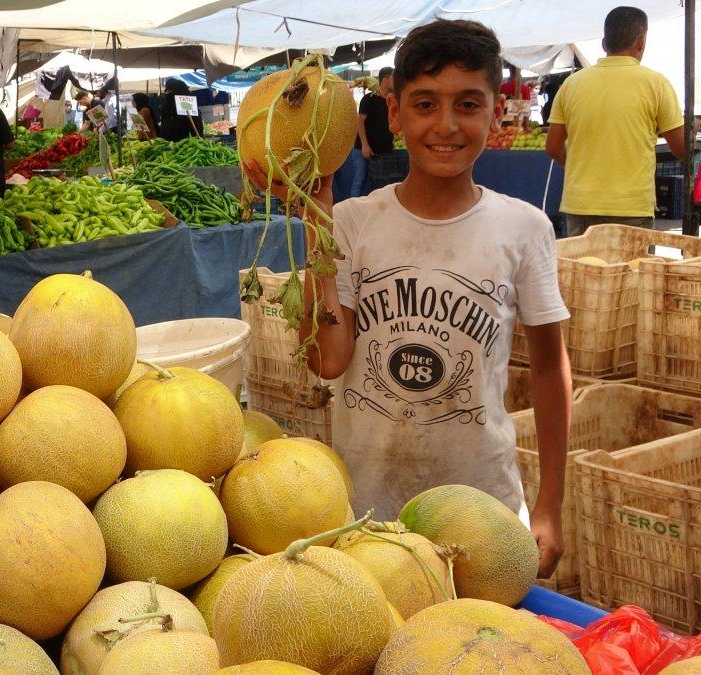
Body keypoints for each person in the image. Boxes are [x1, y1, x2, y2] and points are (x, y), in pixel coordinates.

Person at [243, 19, 571, 579]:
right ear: (394, 115)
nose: (445, 125)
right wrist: (316, 223)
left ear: (495, 113)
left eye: (468, 104)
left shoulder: (525, 228)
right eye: (424, 105)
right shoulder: (351, 222)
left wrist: (550, 506)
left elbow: (548, 369)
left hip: (481, 508)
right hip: (366, 511)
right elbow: (327, 361)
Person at [546, 6, 687, 236]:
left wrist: (582, 168)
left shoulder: (572, 84)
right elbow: (681, 148)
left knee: (584, 271)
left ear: (604, 43)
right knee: (630, 272)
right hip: (630, 207)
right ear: (641, 42)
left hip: (580, 204)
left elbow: (552, 147)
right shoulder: (656, 83)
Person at [335, 67, 395, 201]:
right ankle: (351, 209)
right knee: (359, 180)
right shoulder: (369, 99)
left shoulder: (392, 100)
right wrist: (364, 145)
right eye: (393, 78)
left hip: (382, 152)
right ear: (386, 79)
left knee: (379, 184)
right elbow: (359, 122)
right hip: (362, 149)